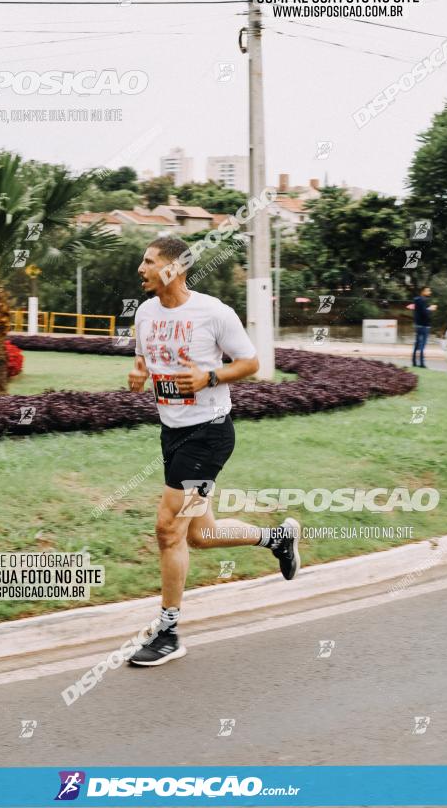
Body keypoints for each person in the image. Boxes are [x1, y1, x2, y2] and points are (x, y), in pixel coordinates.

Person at [127, 236, 301, 667]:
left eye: (149, 262)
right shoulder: (145, 313)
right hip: (172, 433)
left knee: (168, 529)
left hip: (208, 434)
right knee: (200, 535)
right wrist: (138, 375)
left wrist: (209, 378)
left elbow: (250, 362)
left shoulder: (214, 312)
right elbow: (145, 361)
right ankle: (277, 539)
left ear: (175, 268)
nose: (141, 269)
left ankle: (168, 632)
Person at [412, 286, 437, 368]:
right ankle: (422, 363)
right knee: (422, 345)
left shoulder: (417, 300)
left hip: (418, 325)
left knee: (417, 344)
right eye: (428, 291)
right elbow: (424, 313)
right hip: (424, 326)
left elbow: (419, 313)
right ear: (423, 292)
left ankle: (414, 362)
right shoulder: (423, 300)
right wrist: (430, 309)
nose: (430, 292)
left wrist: (428, 309)